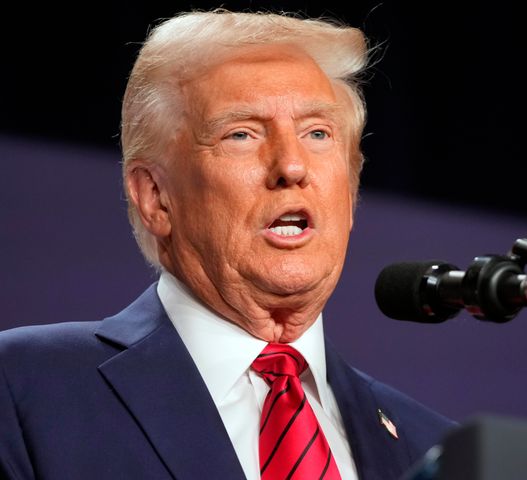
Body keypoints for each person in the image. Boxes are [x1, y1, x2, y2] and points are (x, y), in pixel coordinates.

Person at [0, 9, 456, 480]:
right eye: (241, 134)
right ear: (156, 196)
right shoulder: (23, 388)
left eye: (317, 133)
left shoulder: (433, 449)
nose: (292, 167)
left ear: (351, 185)